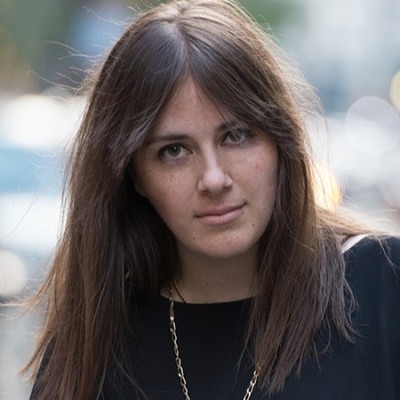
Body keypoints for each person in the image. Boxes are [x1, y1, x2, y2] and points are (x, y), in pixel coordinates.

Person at [27, 0, 400, 399]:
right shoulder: (95, 343)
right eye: (174, 151)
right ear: (134, 175)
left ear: (280, 141)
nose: (214, 178)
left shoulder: (383, 287)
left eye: (236, 136)